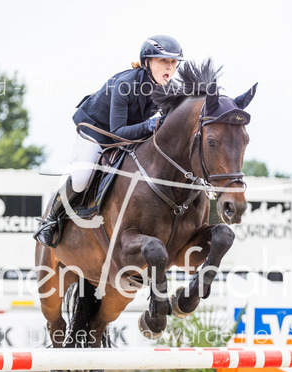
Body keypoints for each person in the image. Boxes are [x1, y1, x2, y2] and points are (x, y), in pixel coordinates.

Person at [34, 35, 183, 247]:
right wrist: (151, 125)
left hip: (130, 132)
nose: (169, 67)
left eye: (173, 62)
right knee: (81, 178)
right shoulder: (125, 85)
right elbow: (117, 133)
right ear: (147, 62)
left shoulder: (170, 89)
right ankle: (50, 220)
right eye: (163, 61)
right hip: (97, 130)